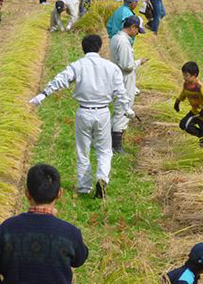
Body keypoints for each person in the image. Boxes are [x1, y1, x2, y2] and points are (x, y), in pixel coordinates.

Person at [30, 35, 129, 198]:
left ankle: (84, 186)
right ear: (99, 47)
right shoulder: (111, 67)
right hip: (103, 111)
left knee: (83, 150)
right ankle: (103, 177)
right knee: (104, 150)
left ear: (83, 49)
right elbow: (120, 91)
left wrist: (43, 95)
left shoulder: (78, 65)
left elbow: (60, 80)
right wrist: (127, 109)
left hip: (84, 111)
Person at [110, 15, 146, 153]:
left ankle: (113, 142)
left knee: (120, 108)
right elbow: (127, 65)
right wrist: (138, 62)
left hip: (118, 76)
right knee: (122, 109)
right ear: (132, 27)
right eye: (137, 30)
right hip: (124, 78)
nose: (137, 33)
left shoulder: (115, 38)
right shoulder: (124, 42)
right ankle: (116, 146)